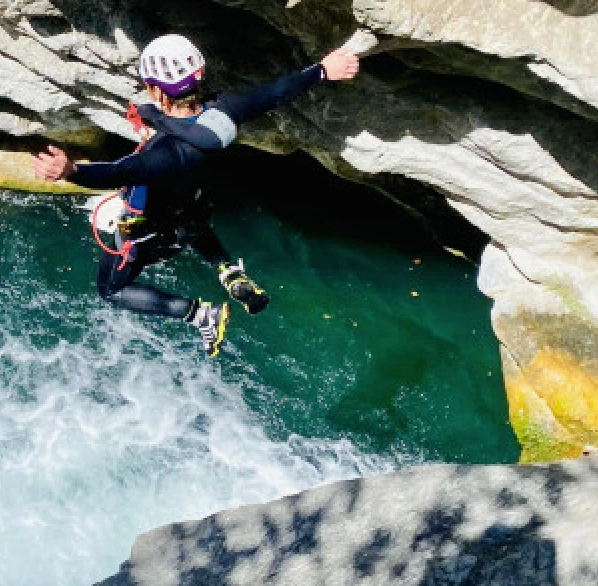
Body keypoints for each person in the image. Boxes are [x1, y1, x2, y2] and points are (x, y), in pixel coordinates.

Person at [33, 35, 360, 357]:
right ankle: (229, 272)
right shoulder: (226, 109)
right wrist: (322, 70)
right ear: (199, 74)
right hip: (194, 208)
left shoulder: (168, 154)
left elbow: (121, 172)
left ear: (156, 91)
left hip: (153, 233)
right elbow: (273, 94)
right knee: (190, 222)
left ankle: (201, 314)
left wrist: (71, 171)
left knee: (112, 290)